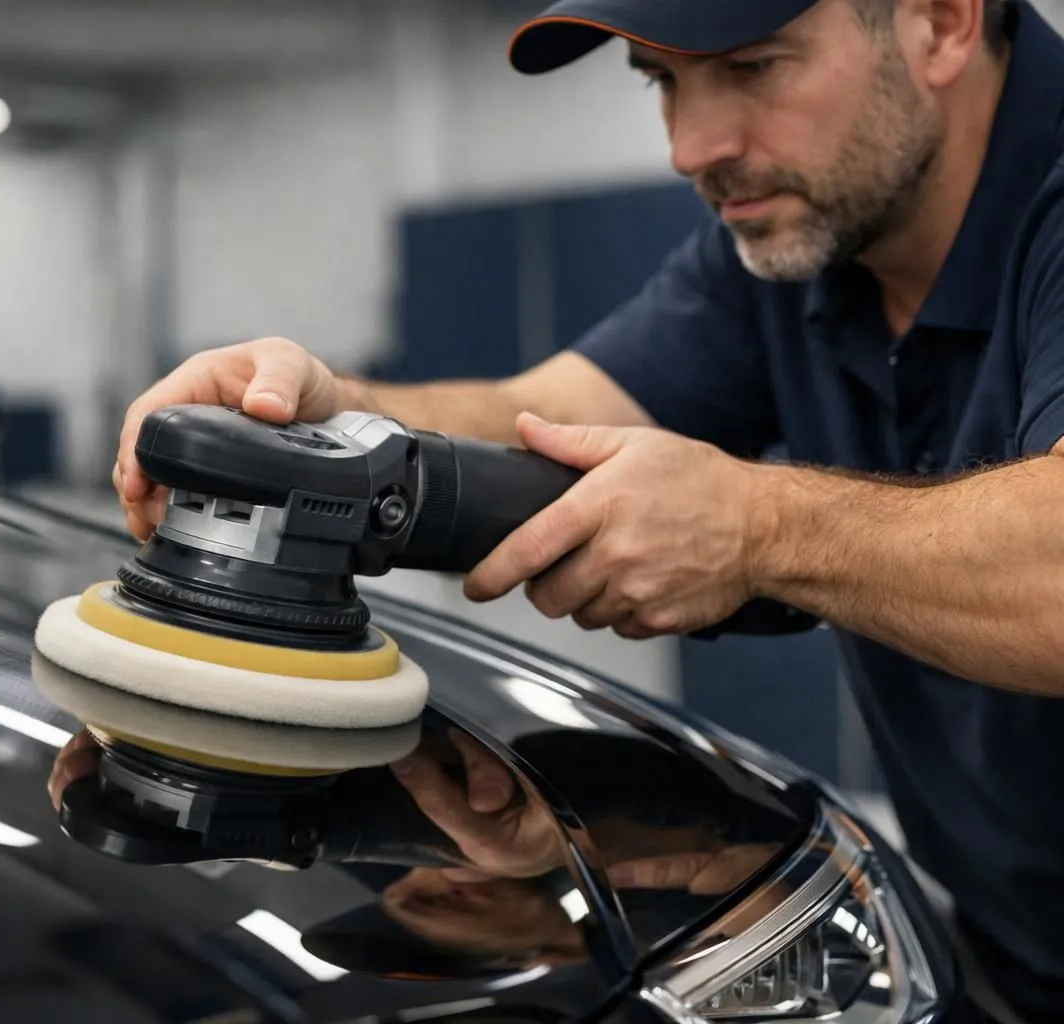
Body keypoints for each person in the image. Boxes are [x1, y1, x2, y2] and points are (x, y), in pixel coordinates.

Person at [112, 0, 1064, 1019]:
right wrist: (340, 419)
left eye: (751, 66)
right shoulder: (802, 233)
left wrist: (762, 527)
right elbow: (556, 417)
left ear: (941, 20)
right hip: (1015, 952)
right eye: (661, 82)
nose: (693, 147)